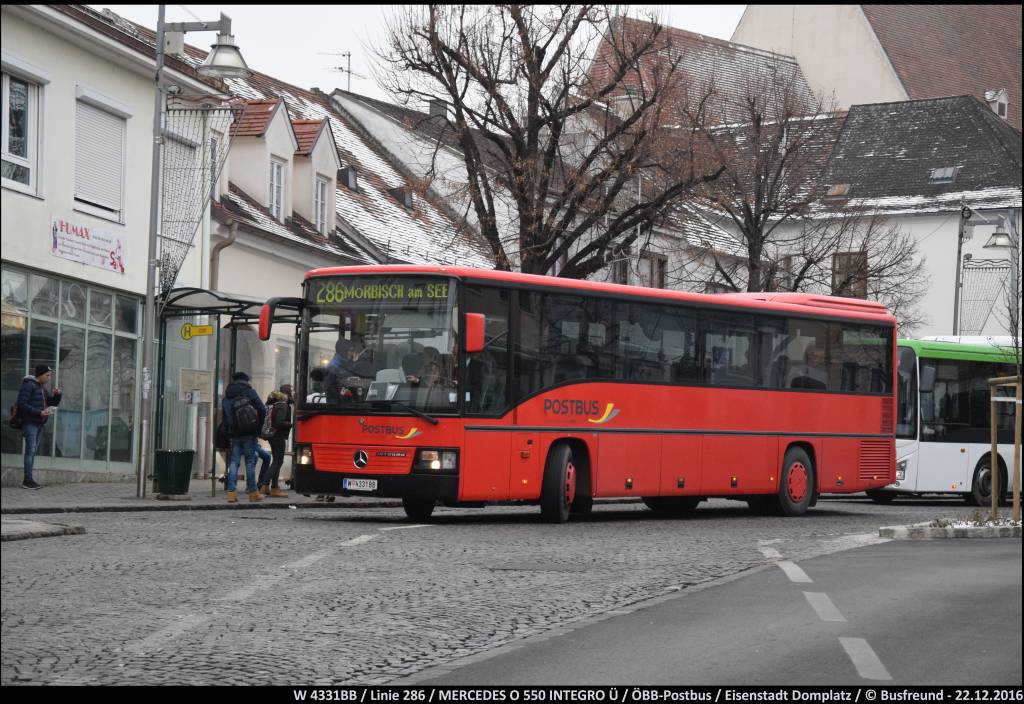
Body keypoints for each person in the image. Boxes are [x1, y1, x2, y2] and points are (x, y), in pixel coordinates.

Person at [221, 371, 266, 503]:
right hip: (249, 432)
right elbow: (262, 409)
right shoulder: (249, 392)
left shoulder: (227, 394)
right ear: (246, 381)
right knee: (250, 461)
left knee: (234, 462)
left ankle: (231, 493)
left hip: (234, 434)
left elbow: (225, 417)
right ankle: (253, 493)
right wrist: (258, 428)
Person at [15, 364, 62, 489]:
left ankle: (29, 479)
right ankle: (27, 480)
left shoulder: (41, 387)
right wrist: (39, 412)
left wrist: (57, 395)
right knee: (30, 451)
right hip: (30, 423)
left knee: (32, 451)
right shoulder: (29, 385)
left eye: (50, 376)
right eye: (47, 375)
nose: (49, 378)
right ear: (40, 374)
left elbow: (51, 402)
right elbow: (22, 404)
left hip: (39, 423)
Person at [257, 389, 292, 497]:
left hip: (272, 435)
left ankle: (274, 487)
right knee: (278, 462)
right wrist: (289, 424)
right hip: (278, 435)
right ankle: (265, 484)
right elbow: (278, 422)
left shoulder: (271, 405)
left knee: (276, 461)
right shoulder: (282, 405)